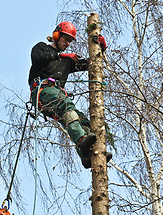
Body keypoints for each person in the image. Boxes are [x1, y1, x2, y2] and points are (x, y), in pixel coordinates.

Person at [28, 21, 111, 169]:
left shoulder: (66, 61)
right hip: (43, 91)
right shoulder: (41, 48)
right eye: (65, 39)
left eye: (70, 41)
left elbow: (87, 64)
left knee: (81, 118)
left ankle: (88, 155)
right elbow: (38, 58)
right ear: (56, 35)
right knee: (66, 105)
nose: (67, 44)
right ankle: (81, 140)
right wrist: (60, 56)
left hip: (55, 95)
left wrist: (101, 49)